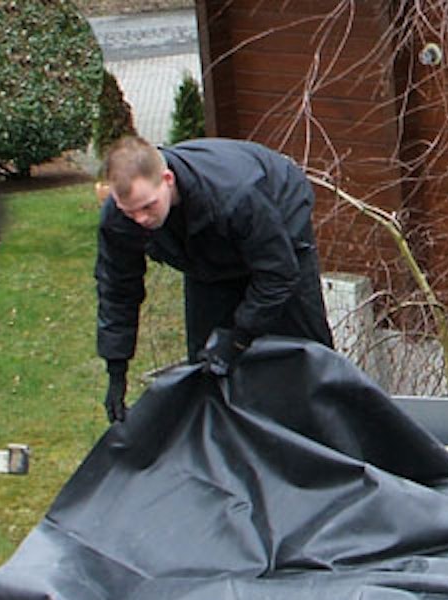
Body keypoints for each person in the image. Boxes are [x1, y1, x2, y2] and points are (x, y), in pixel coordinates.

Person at [95, 136, 334, 422]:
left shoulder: (236, 195)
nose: (140, 220)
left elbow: (278, 274)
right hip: (206, 260)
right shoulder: (121, 217)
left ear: (167, 179)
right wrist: (116, 369)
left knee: (304, 359)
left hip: (279, 233)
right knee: (209, 365)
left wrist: (239, 338)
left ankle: (323, 438)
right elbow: (118, 288)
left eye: (148, 207)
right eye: (129, 211)